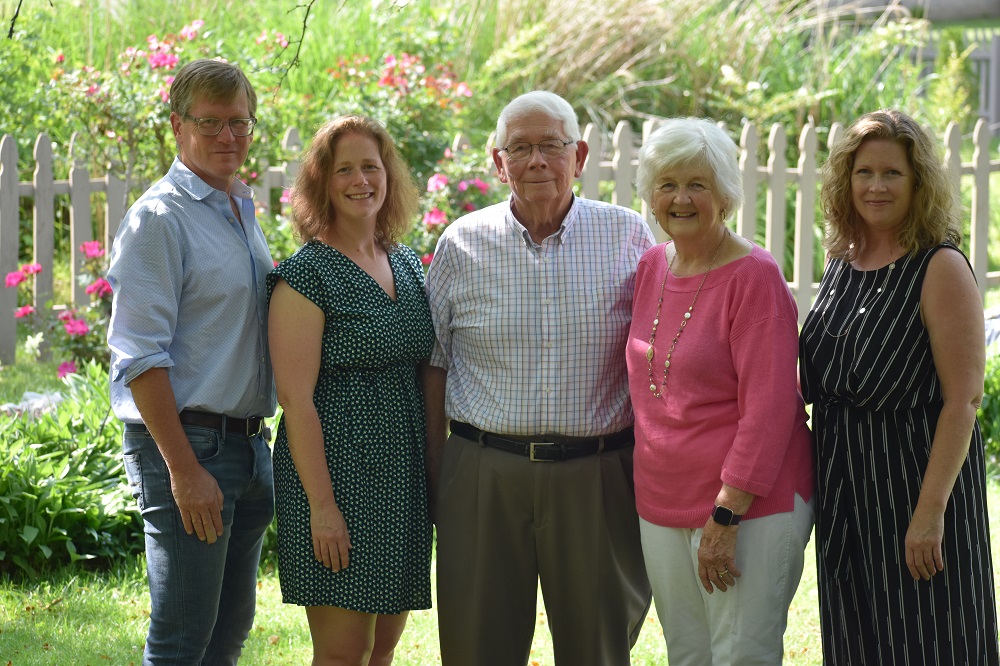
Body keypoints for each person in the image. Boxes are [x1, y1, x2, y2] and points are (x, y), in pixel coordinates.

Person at [424, 90, 653, 666]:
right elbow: (433, 366)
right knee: (478, 647)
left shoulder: (628, 236)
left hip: (597, 475)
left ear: (578, 155)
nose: (536, 161)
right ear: (498, 162)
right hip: (483, 473)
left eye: (550, 145)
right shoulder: (461, 242)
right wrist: (438, 473)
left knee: (596, 648)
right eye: (519, 148)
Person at [799, 109, 1000, 663]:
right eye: (864, 172)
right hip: (846, 490)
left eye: (893, 174)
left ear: (919, 183)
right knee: (857, 638)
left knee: (928, 640)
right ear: (847, 180)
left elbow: (964, 401)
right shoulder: (844, 258)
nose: (877, 186)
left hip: (911, 483)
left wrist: (930, 511)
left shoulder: (939, 266)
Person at [626, 117, 815, 664]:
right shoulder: (650, 268)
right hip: (661, 502)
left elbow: (772, 409)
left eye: (697, 184)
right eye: (667, 184)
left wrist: (726, 515)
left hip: (747, 509)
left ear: (725, 194)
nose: (680, 198)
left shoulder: (754, 278)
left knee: (741, 656)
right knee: (689, 654)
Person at [107, 59, 275, 665]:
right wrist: (182, 470)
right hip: (189, 447)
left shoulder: (236, 208)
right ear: (178, 126)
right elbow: (139, 355)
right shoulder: (160, 218)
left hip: (248, 448)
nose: (229, 137)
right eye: (211, 123)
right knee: (181, 642)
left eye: (240, 123)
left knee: (226, 636)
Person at [267, 115, 434, 665]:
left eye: (371, 166)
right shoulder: (306, 276)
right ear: (323, 182)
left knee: (382, 651)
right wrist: (322, 508)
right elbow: (295, 401)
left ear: (389, 176)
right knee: (342, 654)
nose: (360, 180)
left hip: (400, 485)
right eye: (345, 169)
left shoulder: (407, 263)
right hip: (336, 484)